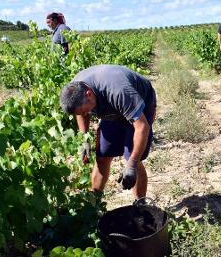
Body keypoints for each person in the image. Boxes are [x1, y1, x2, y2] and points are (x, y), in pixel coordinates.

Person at [59, 65, 157, 200]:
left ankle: (140, 205)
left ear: (89, 94)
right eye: (82, 112)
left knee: (133, 159)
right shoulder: (76, 90)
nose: (86, 114)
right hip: (111, 110)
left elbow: (142, 127)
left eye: (85, 110)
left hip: (140, 105)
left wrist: (132, 164)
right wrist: (84, 139)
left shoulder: (118, 91)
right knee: (102, 156)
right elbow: (80, 113)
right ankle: (94, 202)